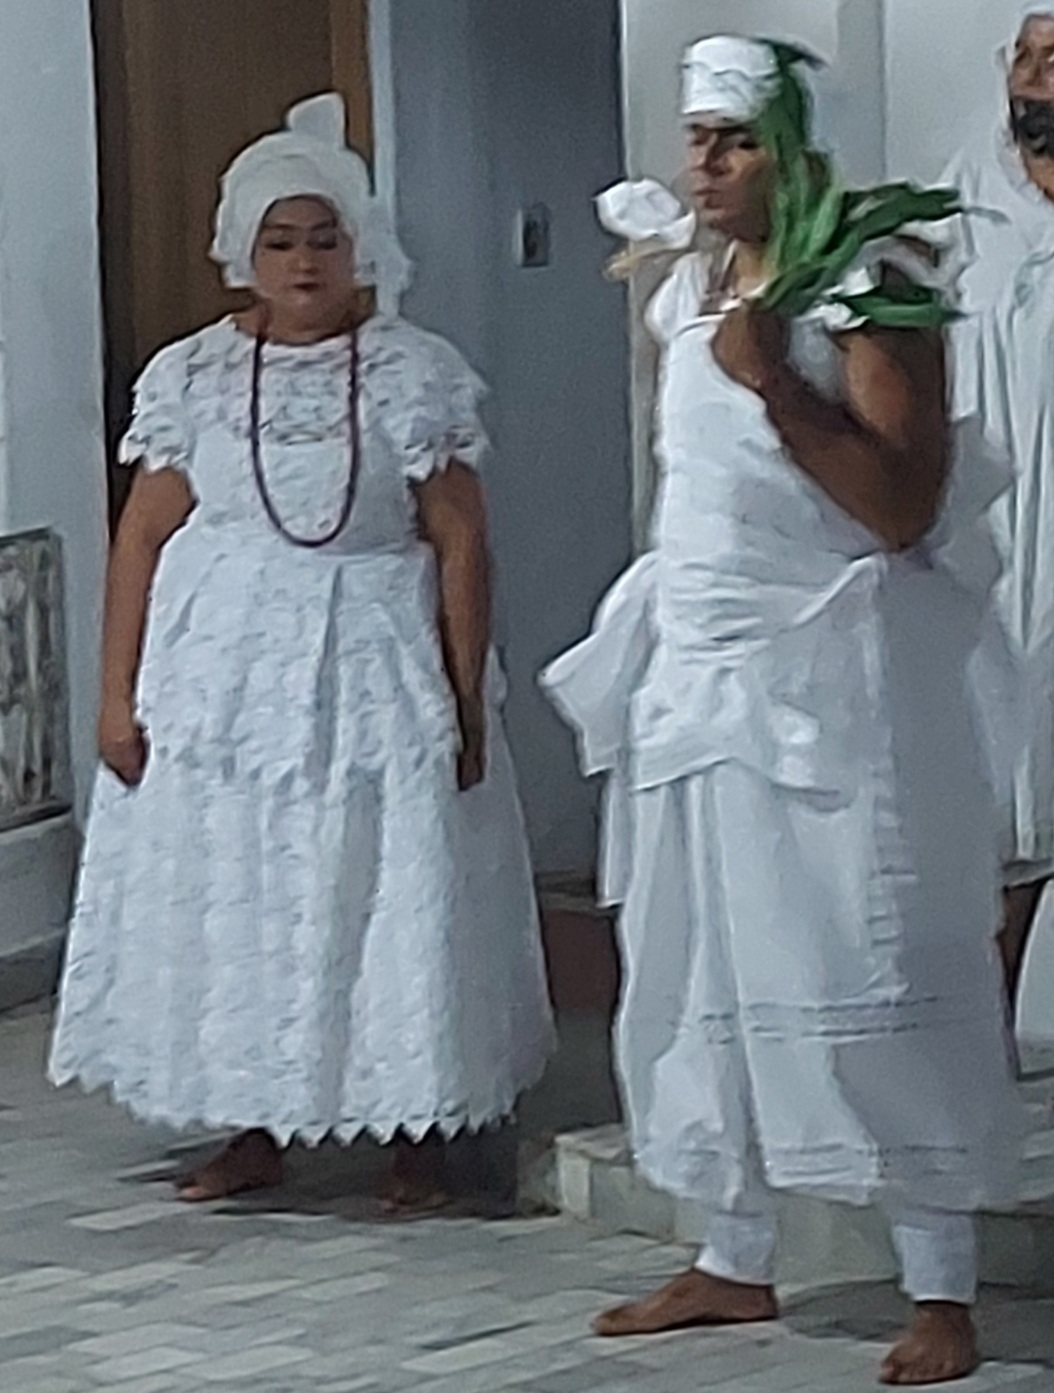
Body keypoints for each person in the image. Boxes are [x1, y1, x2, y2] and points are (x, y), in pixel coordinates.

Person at [542, 36, 1024, 1387]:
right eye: (694, 137)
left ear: (795, 150)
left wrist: (774, 380)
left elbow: (901, 506)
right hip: (697, 681)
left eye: (733, 139)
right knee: (697, 961)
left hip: (832, 689)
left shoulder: (872, 283)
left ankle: (939, 1283)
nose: (702, 164)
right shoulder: (686, 286)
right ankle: (730, 1247)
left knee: (867, 951)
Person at [49, 94, 555, 1212]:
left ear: (359, 246)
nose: (305, 262)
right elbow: (142, 537)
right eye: (280, 242)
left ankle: (416, 1127)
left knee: (385, 879)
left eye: (325, 238)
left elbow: (460, 541)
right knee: (245, 884)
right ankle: (253, 1120)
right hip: (222, 674)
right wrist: (115, 695)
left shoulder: (415, 372)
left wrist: (465, 692)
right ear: (244, 252)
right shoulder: (192, 375)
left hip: (374, 663)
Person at [941, 5, 1054, 1012]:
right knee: (1002, 796)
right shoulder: (960, 201)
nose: (1033, 76)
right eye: (1023, 56)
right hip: (998, 539)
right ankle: (985, 1027)